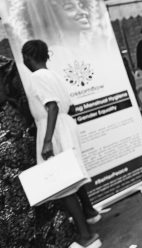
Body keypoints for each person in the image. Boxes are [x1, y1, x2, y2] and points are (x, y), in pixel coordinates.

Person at [21, 40, 103, 248]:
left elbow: (52, 106)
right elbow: (66, 106)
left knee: (63, 183)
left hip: (53, 128)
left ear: (28, 57)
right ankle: (90, 212)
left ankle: (86, 236)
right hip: (63, 125)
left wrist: (47, 141)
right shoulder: (51, 74)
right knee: (72, 174)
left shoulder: (37, 77)